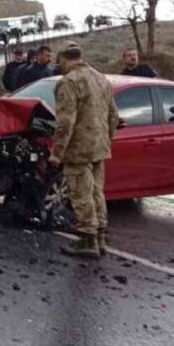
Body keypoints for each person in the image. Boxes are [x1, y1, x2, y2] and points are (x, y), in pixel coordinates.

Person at [49, 44, 120, 258]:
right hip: (99, 146)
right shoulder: (100, 78)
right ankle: (100, 236)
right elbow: (113, 115)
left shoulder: (69, 82)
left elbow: (65, 122)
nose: (59, 66)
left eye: (59, 62)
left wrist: (57, 152)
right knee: (97, 192)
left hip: (79, 148)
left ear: (63, 58)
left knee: (81, 194)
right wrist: (107, 139)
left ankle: (87, 239)